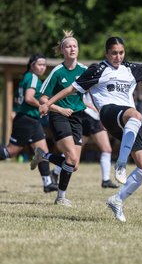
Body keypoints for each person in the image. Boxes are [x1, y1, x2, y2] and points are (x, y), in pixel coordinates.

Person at [38, 36, 142, 222]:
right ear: (106, 53)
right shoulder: (97, 69)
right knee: (136, 114)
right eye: (114, 53)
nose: (118, 56)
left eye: (121, 53)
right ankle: (121, 163)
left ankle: (117, 200)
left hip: (128, 124)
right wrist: (48, 103)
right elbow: (71, 89)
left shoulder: (131, 69)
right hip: (109, 113)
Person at [30, 30, 87, 207]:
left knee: (74, 164)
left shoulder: (85, 70)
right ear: (62, 50)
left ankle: (43, 155)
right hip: (58, 117)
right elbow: (42, 99)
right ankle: (61, 197)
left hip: (77, 118)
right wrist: (60, 109)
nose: (72, 49)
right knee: (70, 157)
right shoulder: (57, 72)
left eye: (75, 46)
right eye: (68, 46)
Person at [0, 53, 58, 193]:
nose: (42, 67)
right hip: (26, 120)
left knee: (42, 152)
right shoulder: (32, 77)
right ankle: (48, 182)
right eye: (40, 64)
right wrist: (43, 105)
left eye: (44, 65)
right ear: (32, 66)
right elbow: (29, 98)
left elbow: (18, 99)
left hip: (31, 120)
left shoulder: (26, 77)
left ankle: (48, 183)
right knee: (10, 152)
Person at [51, 92, 118, 189]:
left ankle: (106, 180)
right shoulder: (93, 78)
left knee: (106, 149)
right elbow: (80, 97)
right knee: (73, 151)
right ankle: (55, 172)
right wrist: (92, 107)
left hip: (96, 117)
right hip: (88, 116)